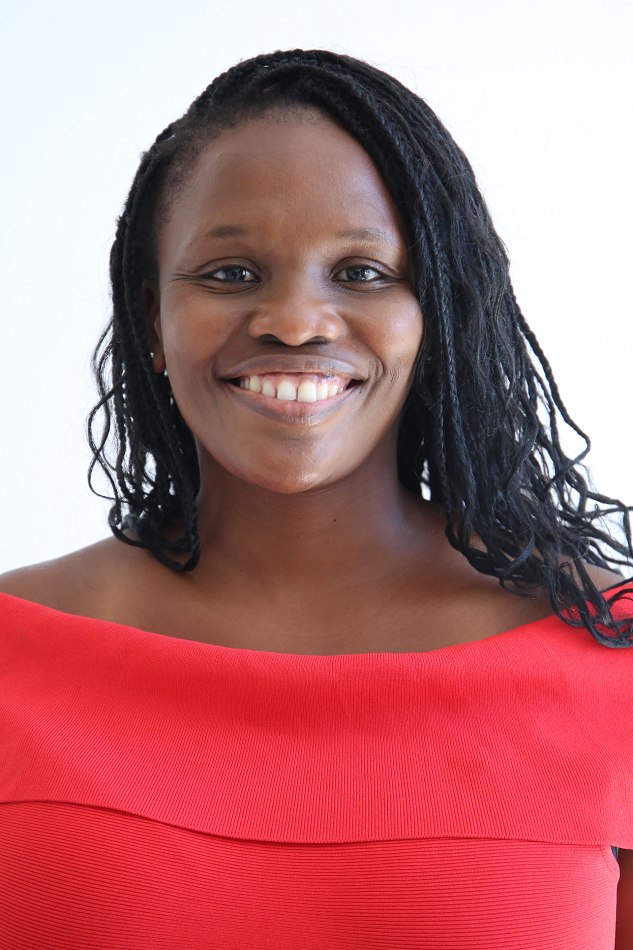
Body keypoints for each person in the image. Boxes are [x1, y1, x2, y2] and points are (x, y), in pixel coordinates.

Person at [1, 48, 632, 948]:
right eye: (230, 274)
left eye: (362, 273)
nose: (294, 323)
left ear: (437, 315)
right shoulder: (13, 655)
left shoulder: (610, 659)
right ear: (151, 319)